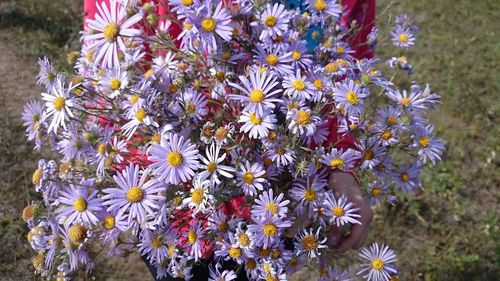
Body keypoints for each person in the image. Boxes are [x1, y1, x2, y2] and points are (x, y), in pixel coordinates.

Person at [82, 0, 375, 279]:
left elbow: (350, 66)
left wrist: (341, 165)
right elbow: (106, 74)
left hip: (289, 188)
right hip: (168, 196)